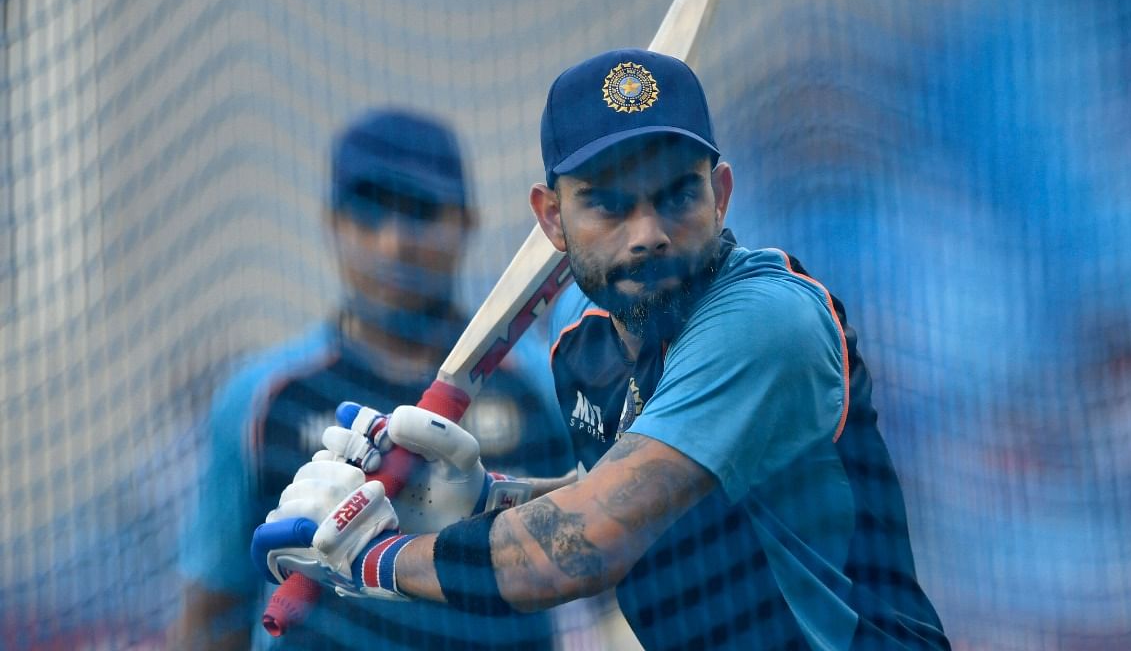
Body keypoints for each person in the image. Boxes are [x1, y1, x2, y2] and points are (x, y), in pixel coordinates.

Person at [251, 50, 951, 650]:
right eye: (610, 205)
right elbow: (639, 494)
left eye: (677, 194)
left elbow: (579, 548)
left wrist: (370, 559)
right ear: (552, 218)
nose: (648, 233)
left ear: (722, 193)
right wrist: (482, 501)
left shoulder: (763, 324)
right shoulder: (585, 335)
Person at [170, 108, 574, 650]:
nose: (394, 244)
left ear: (467, 222)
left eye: (420, 212)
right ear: (332, 225)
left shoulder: (544, 384)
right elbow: (210, 612)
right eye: (368, 215)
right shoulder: (261, 400)